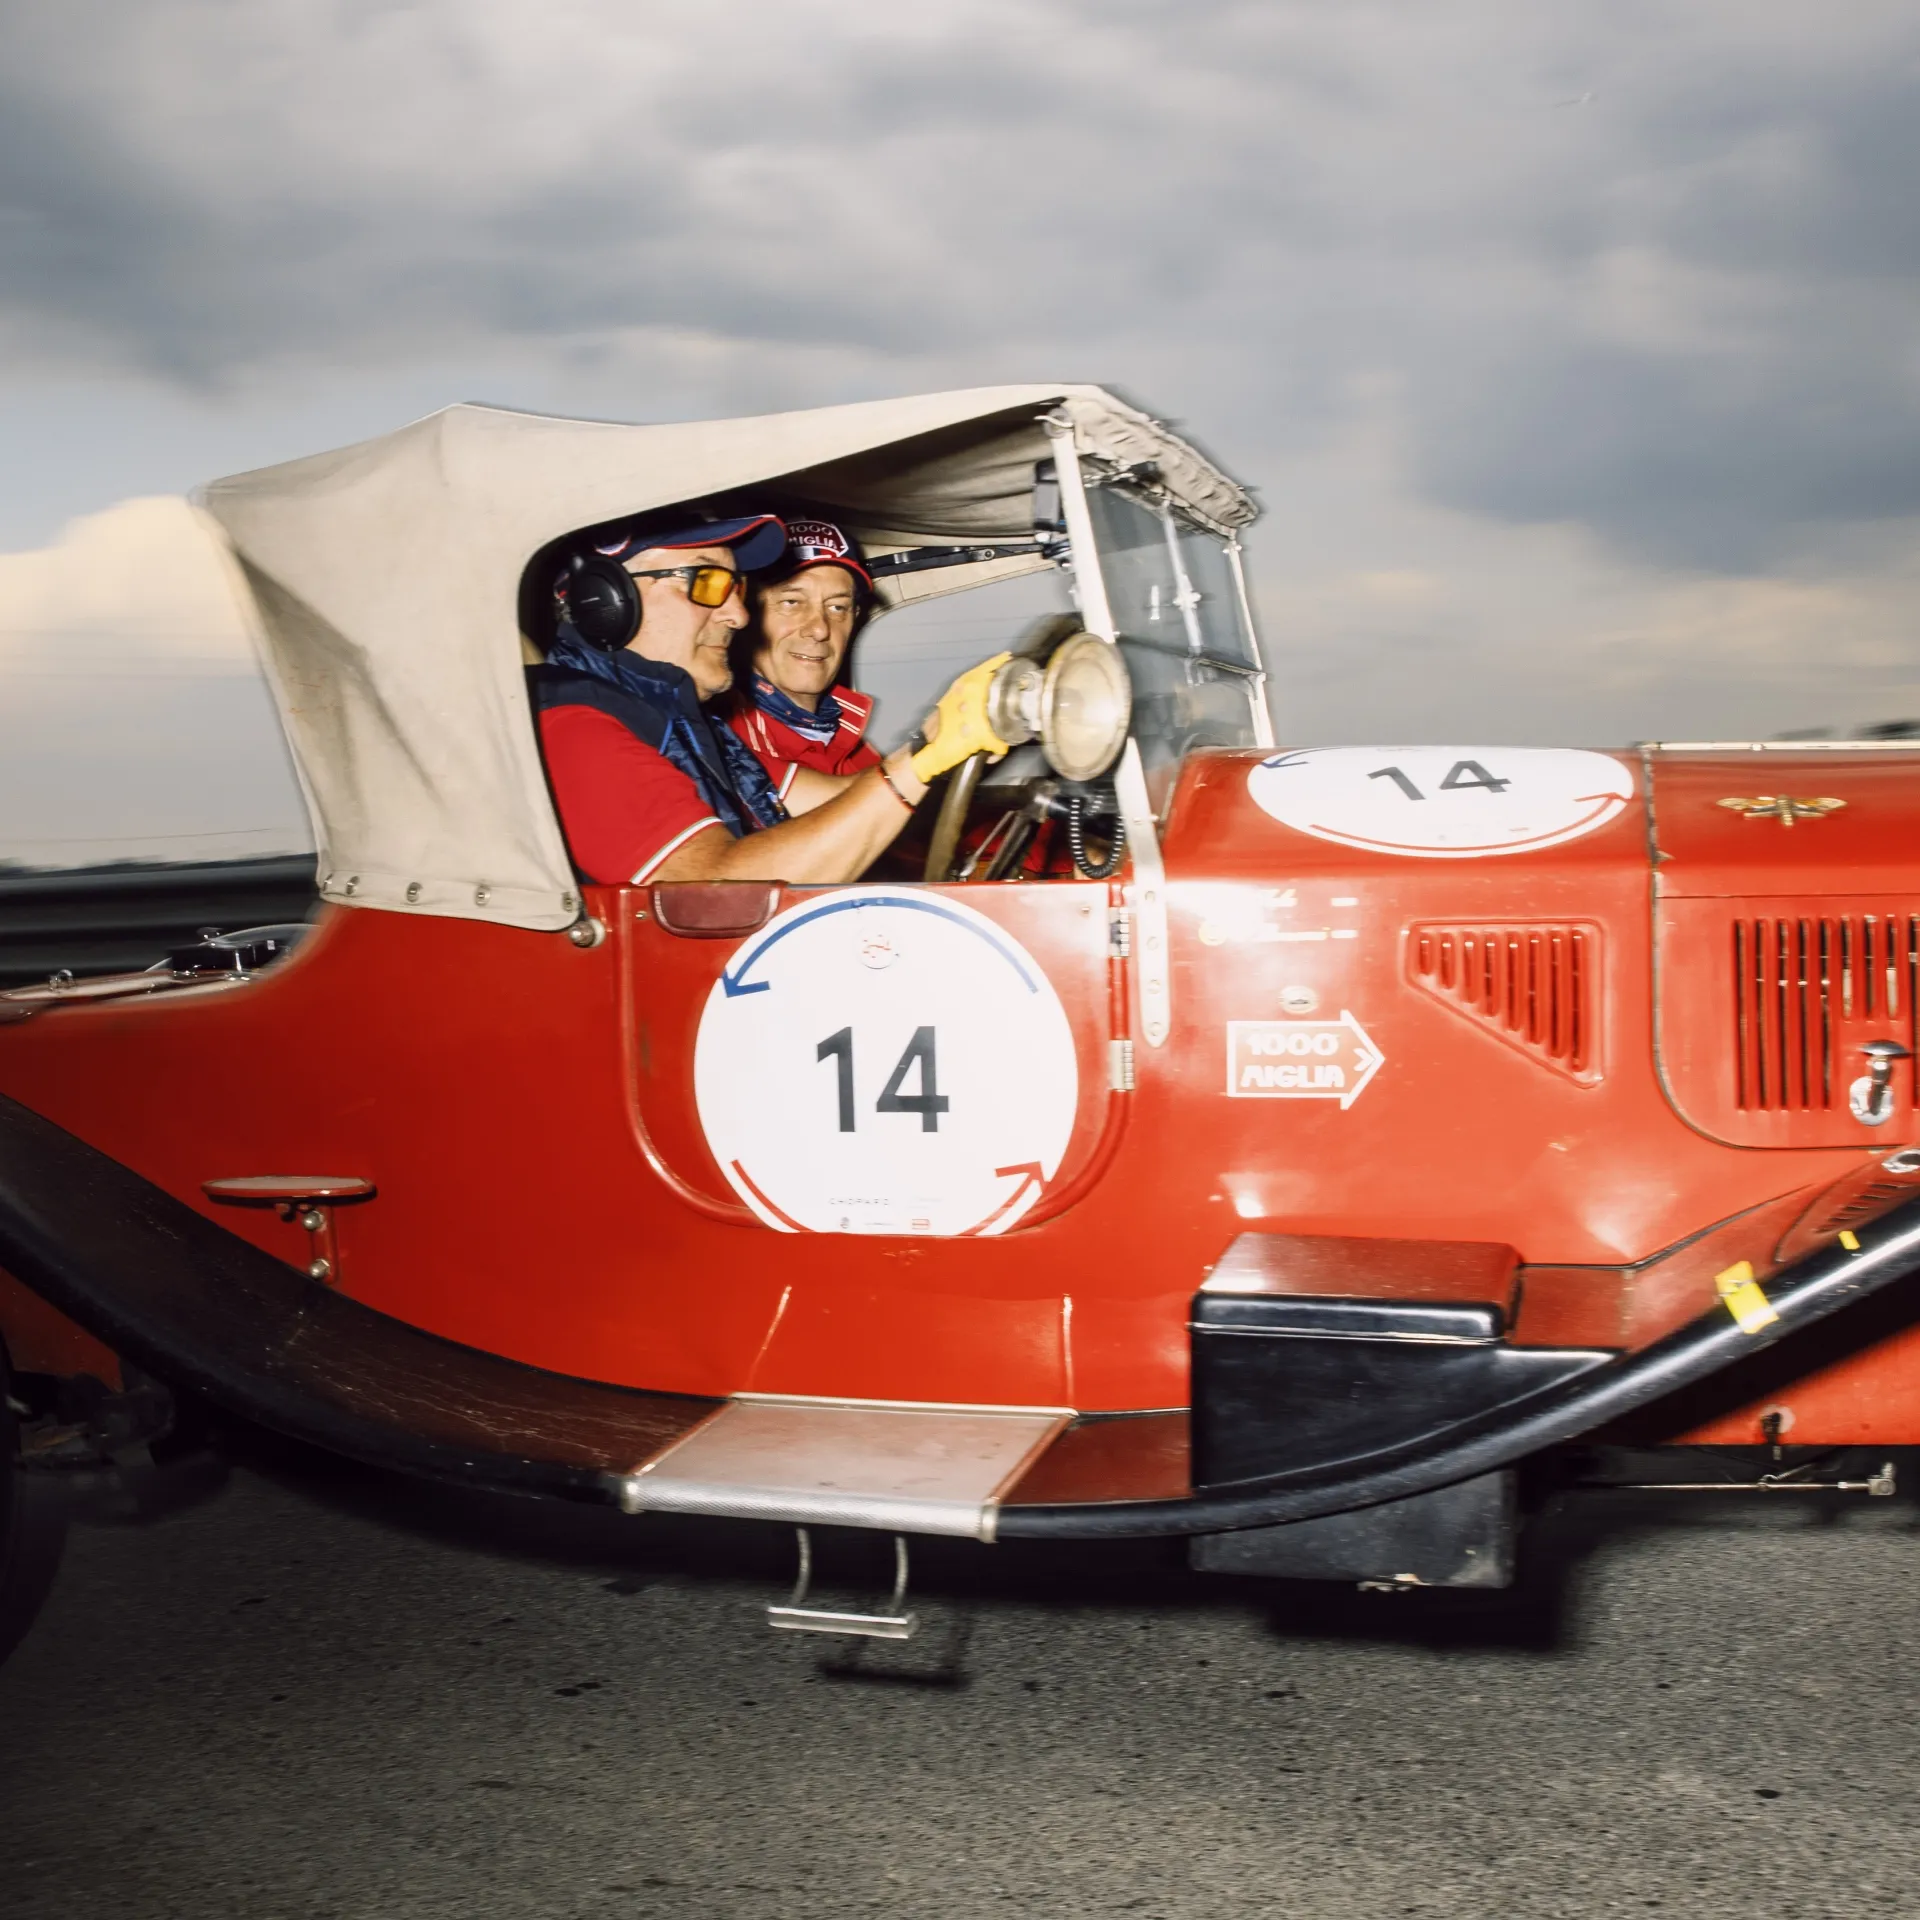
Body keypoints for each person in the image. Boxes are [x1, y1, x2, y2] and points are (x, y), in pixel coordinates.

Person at [529, 511, 1007, 887]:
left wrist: (950, 740)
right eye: (707, 583)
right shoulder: (571, 728)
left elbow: (838, 801)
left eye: (735, 587)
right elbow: (712, 888)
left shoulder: (694, 728)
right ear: (606, 600)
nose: (738, 615)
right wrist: (918, 760)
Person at [728, 517, 880, 798]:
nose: (820, 629)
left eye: (837, 607)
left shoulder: (850, 738)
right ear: (746, 612)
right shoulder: (724, 740)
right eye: (792, 603)